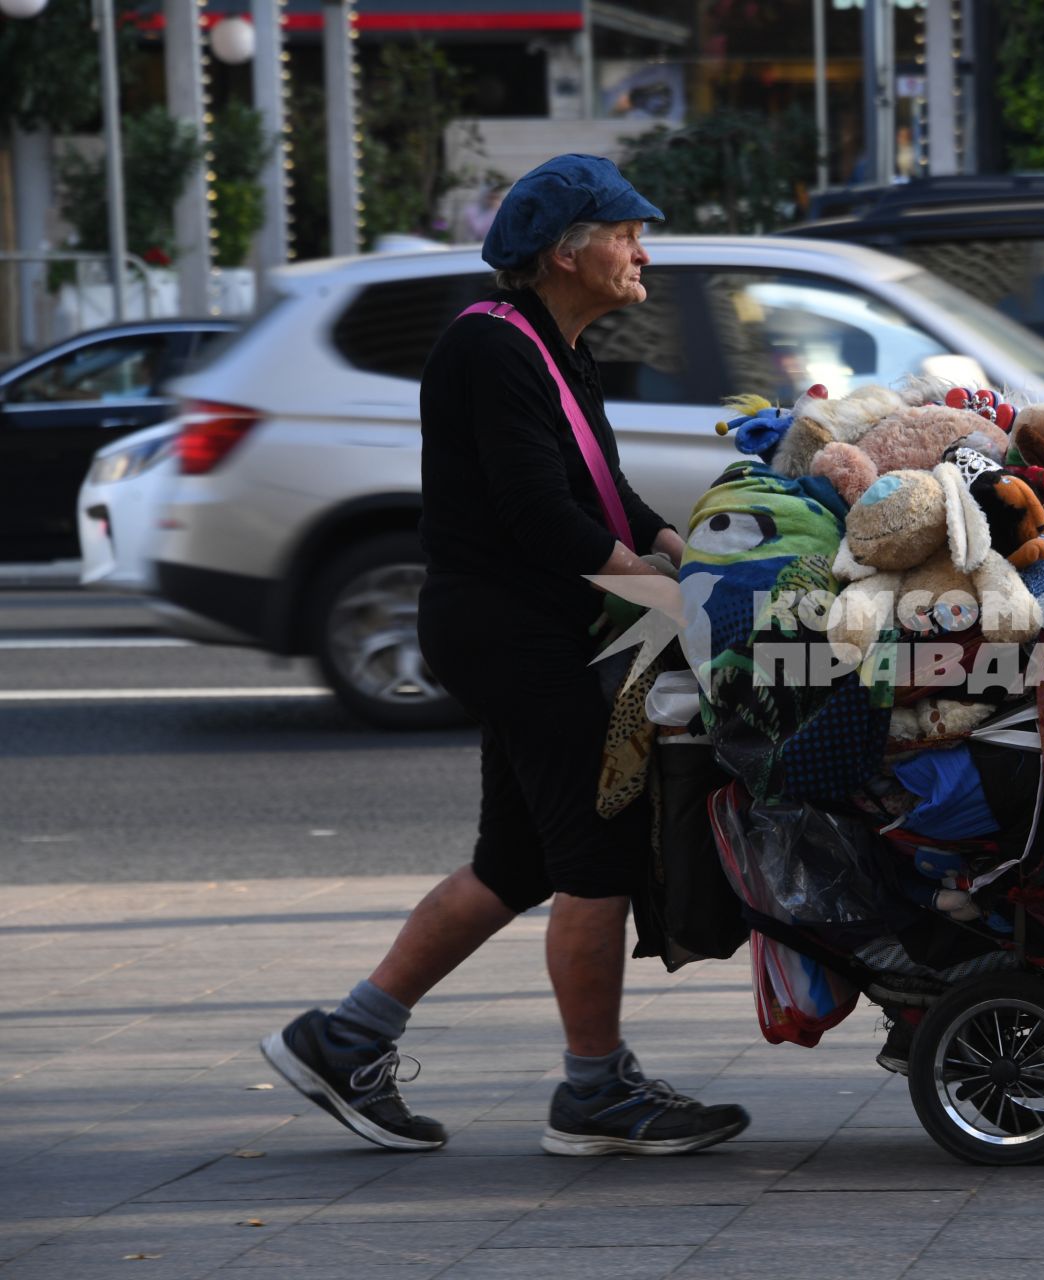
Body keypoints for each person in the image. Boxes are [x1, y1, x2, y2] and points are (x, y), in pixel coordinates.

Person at [260, 154, 749, 1158]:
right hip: (509, 631)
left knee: (515, 859)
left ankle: (346, 1034)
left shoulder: (552, 344)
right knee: (594, 853)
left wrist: (679, 550)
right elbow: (540, 517)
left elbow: (599, 495)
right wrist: (666, 595)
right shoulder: (488, 349)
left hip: (531, 627)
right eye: (626, 233)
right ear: (567, 250)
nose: (642, 251)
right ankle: (595, 1088)